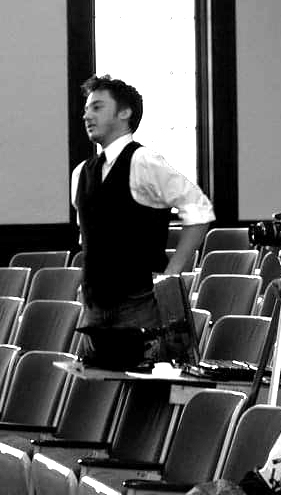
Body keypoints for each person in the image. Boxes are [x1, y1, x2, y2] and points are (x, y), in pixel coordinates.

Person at [71, 74, 214, 360]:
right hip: (94, 305)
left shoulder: (144, 161)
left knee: (141, 383)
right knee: (95, 385)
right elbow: (87, 239)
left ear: (124, 113)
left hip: (140, 302)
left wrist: (171, 275)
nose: (86, 116)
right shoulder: (81, 172)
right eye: (86, 109)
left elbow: (199, 210)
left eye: (97, 107)